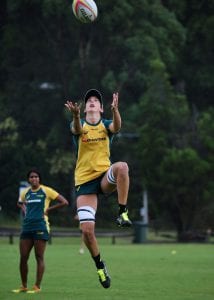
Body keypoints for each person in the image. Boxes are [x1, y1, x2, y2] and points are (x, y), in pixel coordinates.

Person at [65, 89, 132, 289]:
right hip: (85, 182)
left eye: (96, 100)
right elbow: (76, 130)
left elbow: (117, 126)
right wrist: (76, 116)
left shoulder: (105, 125)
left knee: (122, 167)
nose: (92, 102)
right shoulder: (79, 123)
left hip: (104, 177)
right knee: (87, 231)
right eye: (89, 101)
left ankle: (122, 212)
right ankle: (100, 266)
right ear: (85, 109)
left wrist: (116, 110)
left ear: (101, 108)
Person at [12, 169, 69, 294]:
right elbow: (19, 203)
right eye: (31, 177)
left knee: (39, 257)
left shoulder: (46, 190)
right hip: (27, 227)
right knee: (23, 257)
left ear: (39, 179)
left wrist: (48, 209)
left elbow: (64, 202)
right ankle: (23, 286)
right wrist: (24, 208)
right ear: (28, 179)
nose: (34, 179)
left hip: (41, 227)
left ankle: (37, 287)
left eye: (36, 177)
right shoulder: (25, 192)